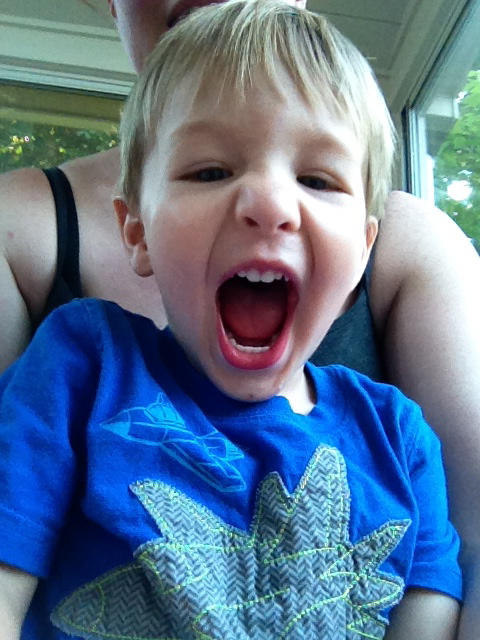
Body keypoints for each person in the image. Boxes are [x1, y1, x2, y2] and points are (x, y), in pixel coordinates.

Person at [0, 0, 479, 635]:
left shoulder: (399, 439)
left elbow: (430, 607)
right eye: (210, 171)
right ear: (136, 231)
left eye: (318, 179)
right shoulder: (80, 367)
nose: (270, 203)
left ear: (365, 250)